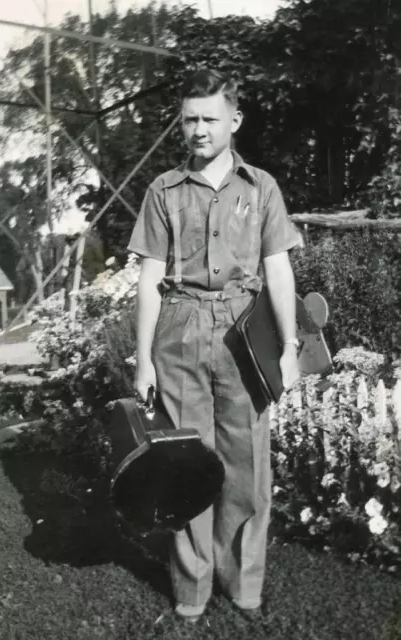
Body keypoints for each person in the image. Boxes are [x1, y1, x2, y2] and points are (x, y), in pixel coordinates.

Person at [127, 68, 300, 623]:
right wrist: (144, 359)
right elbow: (150, 278)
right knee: (185, 463)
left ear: (234, 121)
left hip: (242, 332)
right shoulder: (162, 190)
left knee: (248, 464)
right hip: (180, 327)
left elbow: (278, 270)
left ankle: (242, 579)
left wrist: (290, 345)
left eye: (209, 118)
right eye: (189, 119)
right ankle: (194, 584)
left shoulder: (262, 187)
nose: (198, 129)